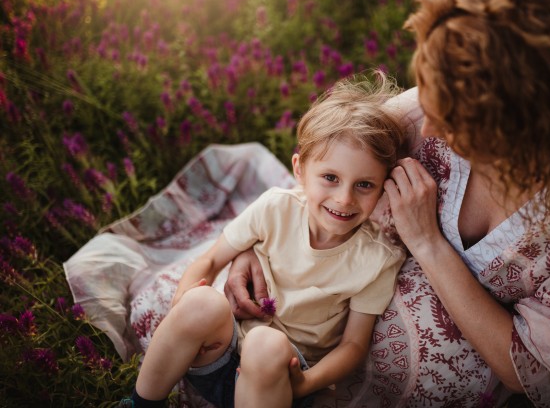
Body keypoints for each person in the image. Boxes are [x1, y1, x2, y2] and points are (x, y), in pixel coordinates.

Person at [224, 0, 550, 407]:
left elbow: (527, 371)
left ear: (516, 128)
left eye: (448, 119)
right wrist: (255, 243)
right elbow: (328, 172)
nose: (427, 128)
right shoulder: (435, 108)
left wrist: (428, 243)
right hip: (308, 331)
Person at [120, 72, 407, 408]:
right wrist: (183, 308)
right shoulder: (276, 206)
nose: (344, 199)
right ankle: (142, 403)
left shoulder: (377, 258)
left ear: (383, 186)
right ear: (299, 170)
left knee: (265, 344)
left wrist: (305, 384)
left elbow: (354, 347)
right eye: (330, 177)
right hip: (222, 355)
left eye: (364, 185)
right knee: (200, 301)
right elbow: (210, 262)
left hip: (285, 380)